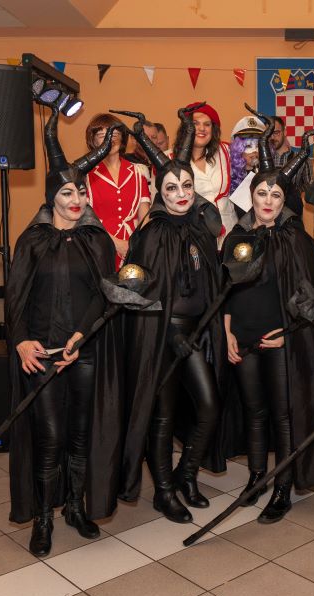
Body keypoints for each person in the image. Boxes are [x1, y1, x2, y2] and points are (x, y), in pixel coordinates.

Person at [6, 106, 122, 557]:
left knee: (79, 433)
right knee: (49, 435)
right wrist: (20, 340)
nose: (77, 199)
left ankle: (75, 506)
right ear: (52, 195)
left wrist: (80, 335)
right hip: (42, 354)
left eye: (82, 191)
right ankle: (43, 517)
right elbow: (15, 296)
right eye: (68, 191)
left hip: (84, 350)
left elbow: (103, 293)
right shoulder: (32, 240)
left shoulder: (97, 239)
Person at [116, 104, 225, 524]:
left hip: (197, 331)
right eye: (172, 187)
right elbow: (143, 295)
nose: (181, 193)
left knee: (209, 405)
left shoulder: (200, 227)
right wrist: (170, 335)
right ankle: (164, 490)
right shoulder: (152, 234)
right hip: (162, 334)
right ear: (160, 192)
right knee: (161, 415)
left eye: (187, 186)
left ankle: (186, 474)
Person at [222, 111, 314, 524]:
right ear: (252, 195)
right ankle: (256, 478)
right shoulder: (237, 236)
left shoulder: (296, 239)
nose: (268, 201)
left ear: (285, 201)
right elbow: (226, 290)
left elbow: (308, 296)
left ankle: (283, 485)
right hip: (244, 335)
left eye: (276, 196)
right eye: (262, 193)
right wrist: (228, 332)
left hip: (280, 336)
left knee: (283, 414)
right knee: (255, 412)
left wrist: (291, 333)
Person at [85, 113, 151, 269]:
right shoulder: (86, 175)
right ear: (93, 141)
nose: (110, 139)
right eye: (102, 135)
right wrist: (116, 243)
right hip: (99, 246)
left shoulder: (137, 171)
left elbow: (145, 217)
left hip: (134, 247)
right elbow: (85, 218)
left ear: (122, 138)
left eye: (114, 134)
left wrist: (137, 244)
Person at [173, 102, 234, 245]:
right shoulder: (170, 159)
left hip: (230, 232)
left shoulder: (226, 151)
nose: (202, 128)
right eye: (195, 123)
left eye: (207, 124)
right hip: (194, 236)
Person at [270, 115, 311, 216]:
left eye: (276, 133)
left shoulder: (302, 159)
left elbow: (310, 188)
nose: (272, 137)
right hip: (265, 217)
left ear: (285, 132)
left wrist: (295, 192)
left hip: (292, 217)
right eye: (268, 134)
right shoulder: (260, 159)